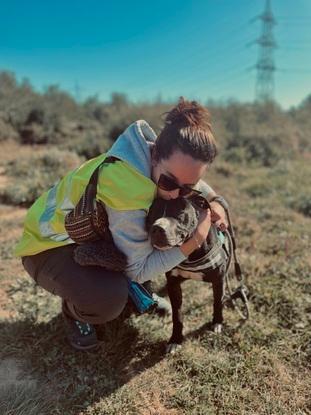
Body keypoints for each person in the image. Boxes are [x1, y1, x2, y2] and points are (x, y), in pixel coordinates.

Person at [15, 97, 227, 351]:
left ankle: (134, 295)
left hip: (84, 236)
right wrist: (196, 240)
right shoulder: (126, 189)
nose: (175, 194)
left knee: (144, 242)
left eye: (187, 188)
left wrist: (216, 202)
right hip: (45, 246)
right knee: (109, 298)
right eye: (169, 184)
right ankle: (74, 311)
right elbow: (138, 268)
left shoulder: (149, 158)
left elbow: (193, 184)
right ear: (155, 154)